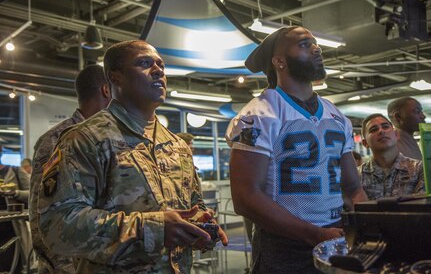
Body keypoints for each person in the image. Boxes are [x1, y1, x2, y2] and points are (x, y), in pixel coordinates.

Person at [38, 40, 228, 274]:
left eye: (161, 65)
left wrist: (200, 223)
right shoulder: (84, 140)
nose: (158, 70)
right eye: (144, 63)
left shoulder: (177, 145)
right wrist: (153, 229)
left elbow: (192, 203)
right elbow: (58, 227)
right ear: (115, 78)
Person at [225, 26, 367, 274]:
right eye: (304, 44)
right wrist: (314, 234)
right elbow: (245, 198)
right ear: (279, 61)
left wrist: (367, 225)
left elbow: (353, 188)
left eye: (315, 43)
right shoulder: (258, 113)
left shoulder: (335, 113)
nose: (317, 48)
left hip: (335, 233)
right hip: (284, 245)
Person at [30, 64, 111, 274]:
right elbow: (41, 216)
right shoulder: (57, 140)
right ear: (107, 90)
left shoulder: (109, 139)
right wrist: (67, 269)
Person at [359, 113, 424, 200]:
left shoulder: (419, 169)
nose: (381, 131)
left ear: (396, 135)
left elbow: (421, 207)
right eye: (374, 130)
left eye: (385, 127)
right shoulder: (357, 175)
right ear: (365, 143)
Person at [0, 145, 32, 273]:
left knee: (13, 265)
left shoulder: (15, 170)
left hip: (11, 228)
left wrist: (16, 193)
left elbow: (33, 194)